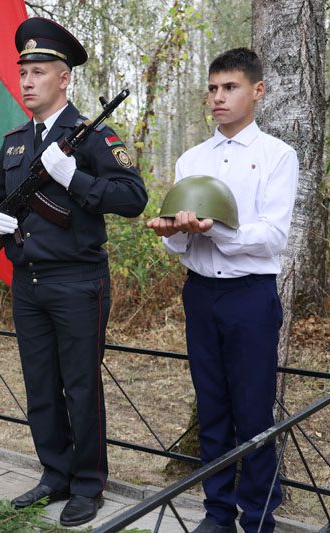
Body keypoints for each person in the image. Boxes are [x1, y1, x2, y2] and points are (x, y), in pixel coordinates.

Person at [0, 17, 147, 527]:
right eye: (23, 71)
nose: (27, 80)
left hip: (78, 282)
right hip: (28, 284)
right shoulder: (15, 142)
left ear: (64, 78)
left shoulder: (91, 136)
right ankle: (54, 473)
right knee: (40, 385)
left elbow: (133, 198)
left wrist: (78, 179)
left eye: (39, 71)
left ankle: (88, 484)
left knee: (81, 386)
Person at [147, 48, 299, 533]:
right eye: (212, 88)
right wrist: (171, 231)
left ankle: (258, 518)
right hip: (200, 295)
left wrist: (215, 229)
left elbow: (273, 235)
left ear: (257, 91)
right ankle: (218, 513)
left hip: (250, 297)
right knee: (212, 407)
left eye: (229, 87)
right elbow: (178, 247)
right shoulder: (191, 158)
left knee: (253, 412)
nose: (218, 97)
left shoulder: (277, 155)